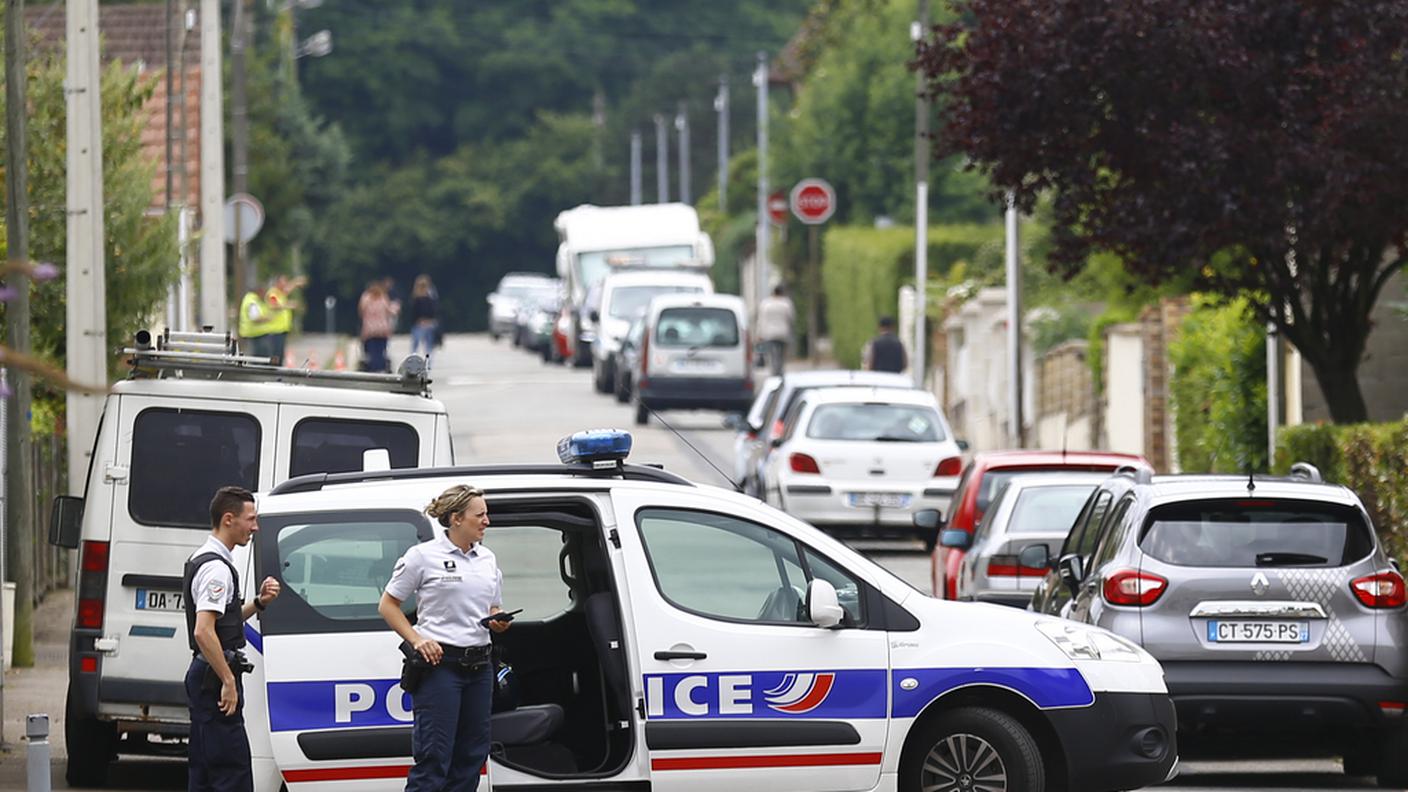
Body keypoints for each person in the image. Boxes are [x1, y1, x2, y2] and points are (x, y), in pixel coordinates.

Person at [379, 484, 510, 792]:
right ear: (456, 519)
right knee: (434, 758)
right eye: (480, 515)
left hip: (480, 666)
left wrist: (498, 619)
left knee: (471, 757)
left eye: (486, 514)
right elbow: (388, 605)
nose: (486, 521)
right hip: (441, 666)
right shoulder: (423, 557)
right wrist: (417, 639)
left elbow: (492, 605)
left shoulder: (487, 558)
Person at [183, 486, 281, 792]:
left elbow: (224, 621)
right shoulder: (217, 569)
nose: (255, 527)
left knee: (204, 771)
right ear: (229, 519)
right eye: (250, 519)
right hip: (214, 676)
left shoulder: (203, 557)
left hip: (204, 675)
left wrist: (259, 603)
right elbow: (203, 630)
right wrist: (227, 680)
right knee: (231, 772)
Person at [264, 275, 307, 364]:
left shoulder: (280, 294)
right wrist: (288, 305)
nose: (285, 284)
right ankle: (274, 373)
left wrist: (295, 283)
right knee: (276, 355)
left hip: (281, 330)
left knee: (280, 354)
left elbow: (288, 289)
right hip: (275, 331)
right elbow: (274, 305)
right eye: (284, 282)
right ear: (278, 283)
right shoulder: (273, 293)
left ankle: (278, 372)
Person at [358, 281, 399, 372]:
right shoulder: (383, 298)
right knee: (381, 352)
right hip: (382, 330)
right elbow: (390, 311)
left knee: (371, 352)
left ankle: (373, 369)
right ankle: (381, 369)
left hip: (369, 330)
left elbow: (361, 311)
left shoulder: (366, 298)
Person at [756, 284, 795, 376]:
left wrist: (759, 334)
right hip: (783, 333)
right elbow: (791, 318)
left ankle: (774, 373)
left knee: (773, 355)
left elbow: (761, 320)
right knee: (781, 356)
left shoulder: (766, 304)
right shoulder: (786, 303)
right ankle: (780, 372)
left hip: (769, 333)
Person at [237, 288, 276, 360]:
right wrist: (267, 318)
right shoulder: (252, 302)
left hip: (254, 336)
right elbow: (255, 318)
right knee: (260, 361)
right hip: (256, 337)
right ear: (260, 292)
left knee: (256, 360)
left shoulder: (250, 300)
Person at [410, 274, 440, 361]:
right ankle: (424, 364)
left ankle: (419, 363)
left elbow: (415, 312)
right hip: (423, 323)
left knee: (423, 347)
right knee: (425, 347)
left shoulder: (426, 296)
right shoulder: (427, 296)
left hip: (424, 323)